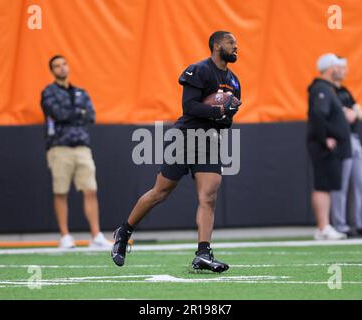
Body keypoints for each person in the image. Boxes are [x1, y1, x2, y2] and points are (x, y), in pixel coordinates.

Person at [110, 31, 241, 272]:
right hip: (185, 137)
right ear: (216, 45)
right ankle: (124, 231)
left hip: (210, 140)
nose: (236, 46)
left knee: (208, 197)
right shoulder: (200, 70)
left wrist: (226, 115)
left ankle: (203, 253)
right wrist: (218, 111)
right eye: (231, 42)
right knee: (160, 192)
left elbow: (227, 121)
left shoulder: (234, 81)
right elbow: (189, 106)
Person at [41, 55, 112, 249]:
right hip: (59, 147)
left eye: (64, 64)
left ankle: (96, 235)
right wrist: (77, 112)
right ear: (52, 70)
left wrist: (75, 113)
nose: (62, 68)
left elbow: (91, 115)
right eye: (57, 66)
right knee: (60, 191)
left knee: (90, 189)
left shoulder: (81, 92)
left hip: (82, 146)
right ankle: (65, 236)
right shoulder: (48, 92)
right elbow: (59, 114)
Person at [307, 53, 351, 240]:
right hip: (323, 145)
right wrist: (326, 139)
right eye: (336, 66)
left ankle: (325, 226)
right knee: (322, 185)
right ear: (328, 69)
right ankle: (323, 226)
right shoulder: (321, 89)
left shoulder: (327, 88)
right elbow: (318, 114)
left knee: (327, 184)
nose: (340, 70)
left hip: (329, 145)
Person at [331, 57, 362, 237]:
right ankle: (340, 225)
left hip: (354, 138)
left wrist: (352, 112)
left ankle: (358, 224)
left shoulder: (345, 91)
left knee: (360, 182)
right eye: (341, 67)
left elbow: (360, 112)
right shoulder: (327, 90)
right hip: (341, 139)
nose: (344, 71)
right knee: (341, 182)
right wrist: (348, 112)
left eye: (345, 67)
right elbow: (340, 114)